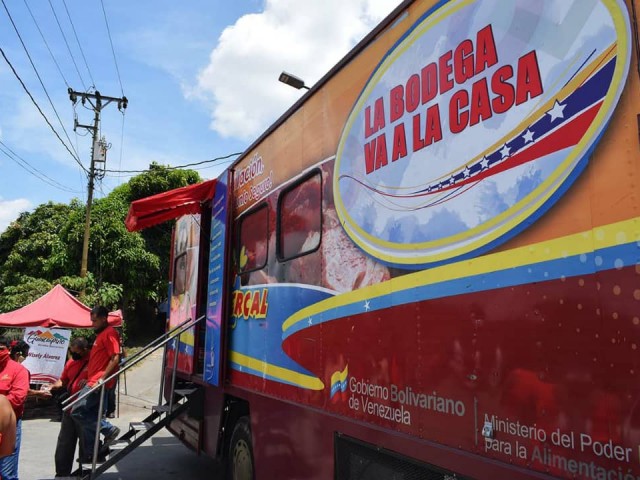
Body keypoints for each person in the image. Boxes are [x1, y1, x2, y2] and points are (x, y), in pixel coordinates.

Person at [70, 307, 121, 463]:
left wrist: (102, 378)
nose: (93, 324)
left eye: (95, 321)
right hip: (93, 380)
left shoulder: (110, 333)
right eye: (92, 320)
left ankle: (108, 429)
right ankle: (93, 453)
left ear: (104, 318)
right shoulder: (100, 335)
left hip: (98, 382)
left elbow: (115, 358)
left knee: (77, 411)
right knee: (89, 416)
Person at [45, 337, 90, 479]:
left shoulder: (93, 361)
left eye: (76, 352)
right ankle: (62, 473)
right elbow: (63, 380)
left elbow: (100, 377)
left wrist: (89, 380)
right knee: (64, 442)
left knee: (85, 443)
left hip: (85, 409)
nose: (73, 355)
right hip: (69, 408)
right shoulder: (71, 362)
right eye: (72, 351)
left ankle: (85, 472)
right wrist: (53, 386)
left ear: (85, 350)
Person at [0, 337, 29, 480]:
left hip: (9, 425)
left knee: (6, 472)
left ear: (9, 350)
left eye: (1, 349)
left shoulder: (19, 370)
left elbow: (18, 397)